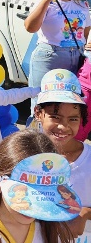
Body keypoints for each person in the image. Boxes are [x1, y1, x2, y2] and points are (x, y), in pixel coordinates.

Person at [32, 69, 91, 237]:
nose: (63, 127)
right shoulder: (24, 156)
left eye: (73, 119)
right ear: (38, 113)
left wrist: (85, 213)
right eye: (55, 117)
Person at [25, 0, 90, 110]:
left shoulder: (82, 4)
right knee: (41, 101)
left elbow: (85, 31)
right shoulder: (47, 3)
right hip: (50, 56)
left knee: (70, 103)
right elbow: (30, 27)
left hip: (76, 56)